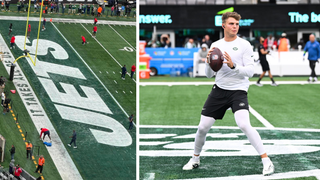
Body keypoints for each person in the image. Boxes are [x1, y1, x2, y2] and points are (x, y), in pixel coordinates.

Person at [182, 12, 274, 176]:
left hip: (238, 91)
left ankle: (267, 161)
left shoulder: (245, 45)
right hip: (219, 90)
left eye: (237, 24)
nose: (235, 27)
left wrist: (233, 66)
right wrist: (209, 63)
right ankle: (195, 159)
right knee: (202, 127)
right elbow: (209, 75)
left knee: (244, 124)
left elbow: (251, 72)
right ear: (223, 25)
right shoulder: (215, 45)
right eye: (231, 24)